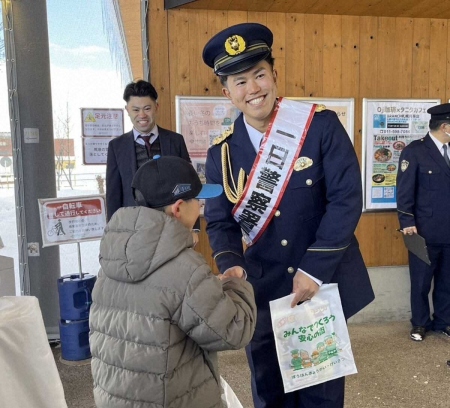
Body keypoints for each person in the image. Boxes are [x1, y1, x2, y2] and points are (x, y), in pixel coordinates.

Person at [201, 23, 375, 408]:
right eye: (240, 81)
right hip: (261, 292)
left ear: (275, 75)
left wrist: (314, 270)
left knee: (321, 394)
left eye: (260, 75)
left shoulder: (319, 126)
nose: (253, 89)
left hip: (320, 283)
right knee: (268, 391)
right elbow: (219, 220)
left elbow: (346, 199)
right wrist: (230, 265)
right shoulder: (221, 154)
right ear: (226, 92)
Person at [89, 155, 256, 408]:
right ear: (178, 208)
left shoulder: (113, 258)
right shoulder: (184, 268)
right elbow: (234, 330)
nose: (201, 207)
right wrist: (235, 284)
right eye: (197, 200)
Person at [396, 102, 450, 342]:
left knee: (447, 280)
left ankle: (443, 321)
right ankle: (419, 323)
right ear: (445, 127)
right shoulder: (415, 151)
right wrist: (406, 221)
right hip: (423, 231)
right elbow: (404, 190)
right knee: (420, 281)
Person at [105, 80, 191, 221]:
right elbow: (113, 195)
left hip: (172, 223)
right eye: (136, 110)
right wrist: (113, 233)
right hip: (134, 226)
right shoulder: (116, 147)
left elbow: (189, 184)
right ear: (127, 110)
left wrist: (193, 227)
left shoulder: (176, 141)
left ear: (156, 107)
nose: (142, 115)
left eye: (147, 108)